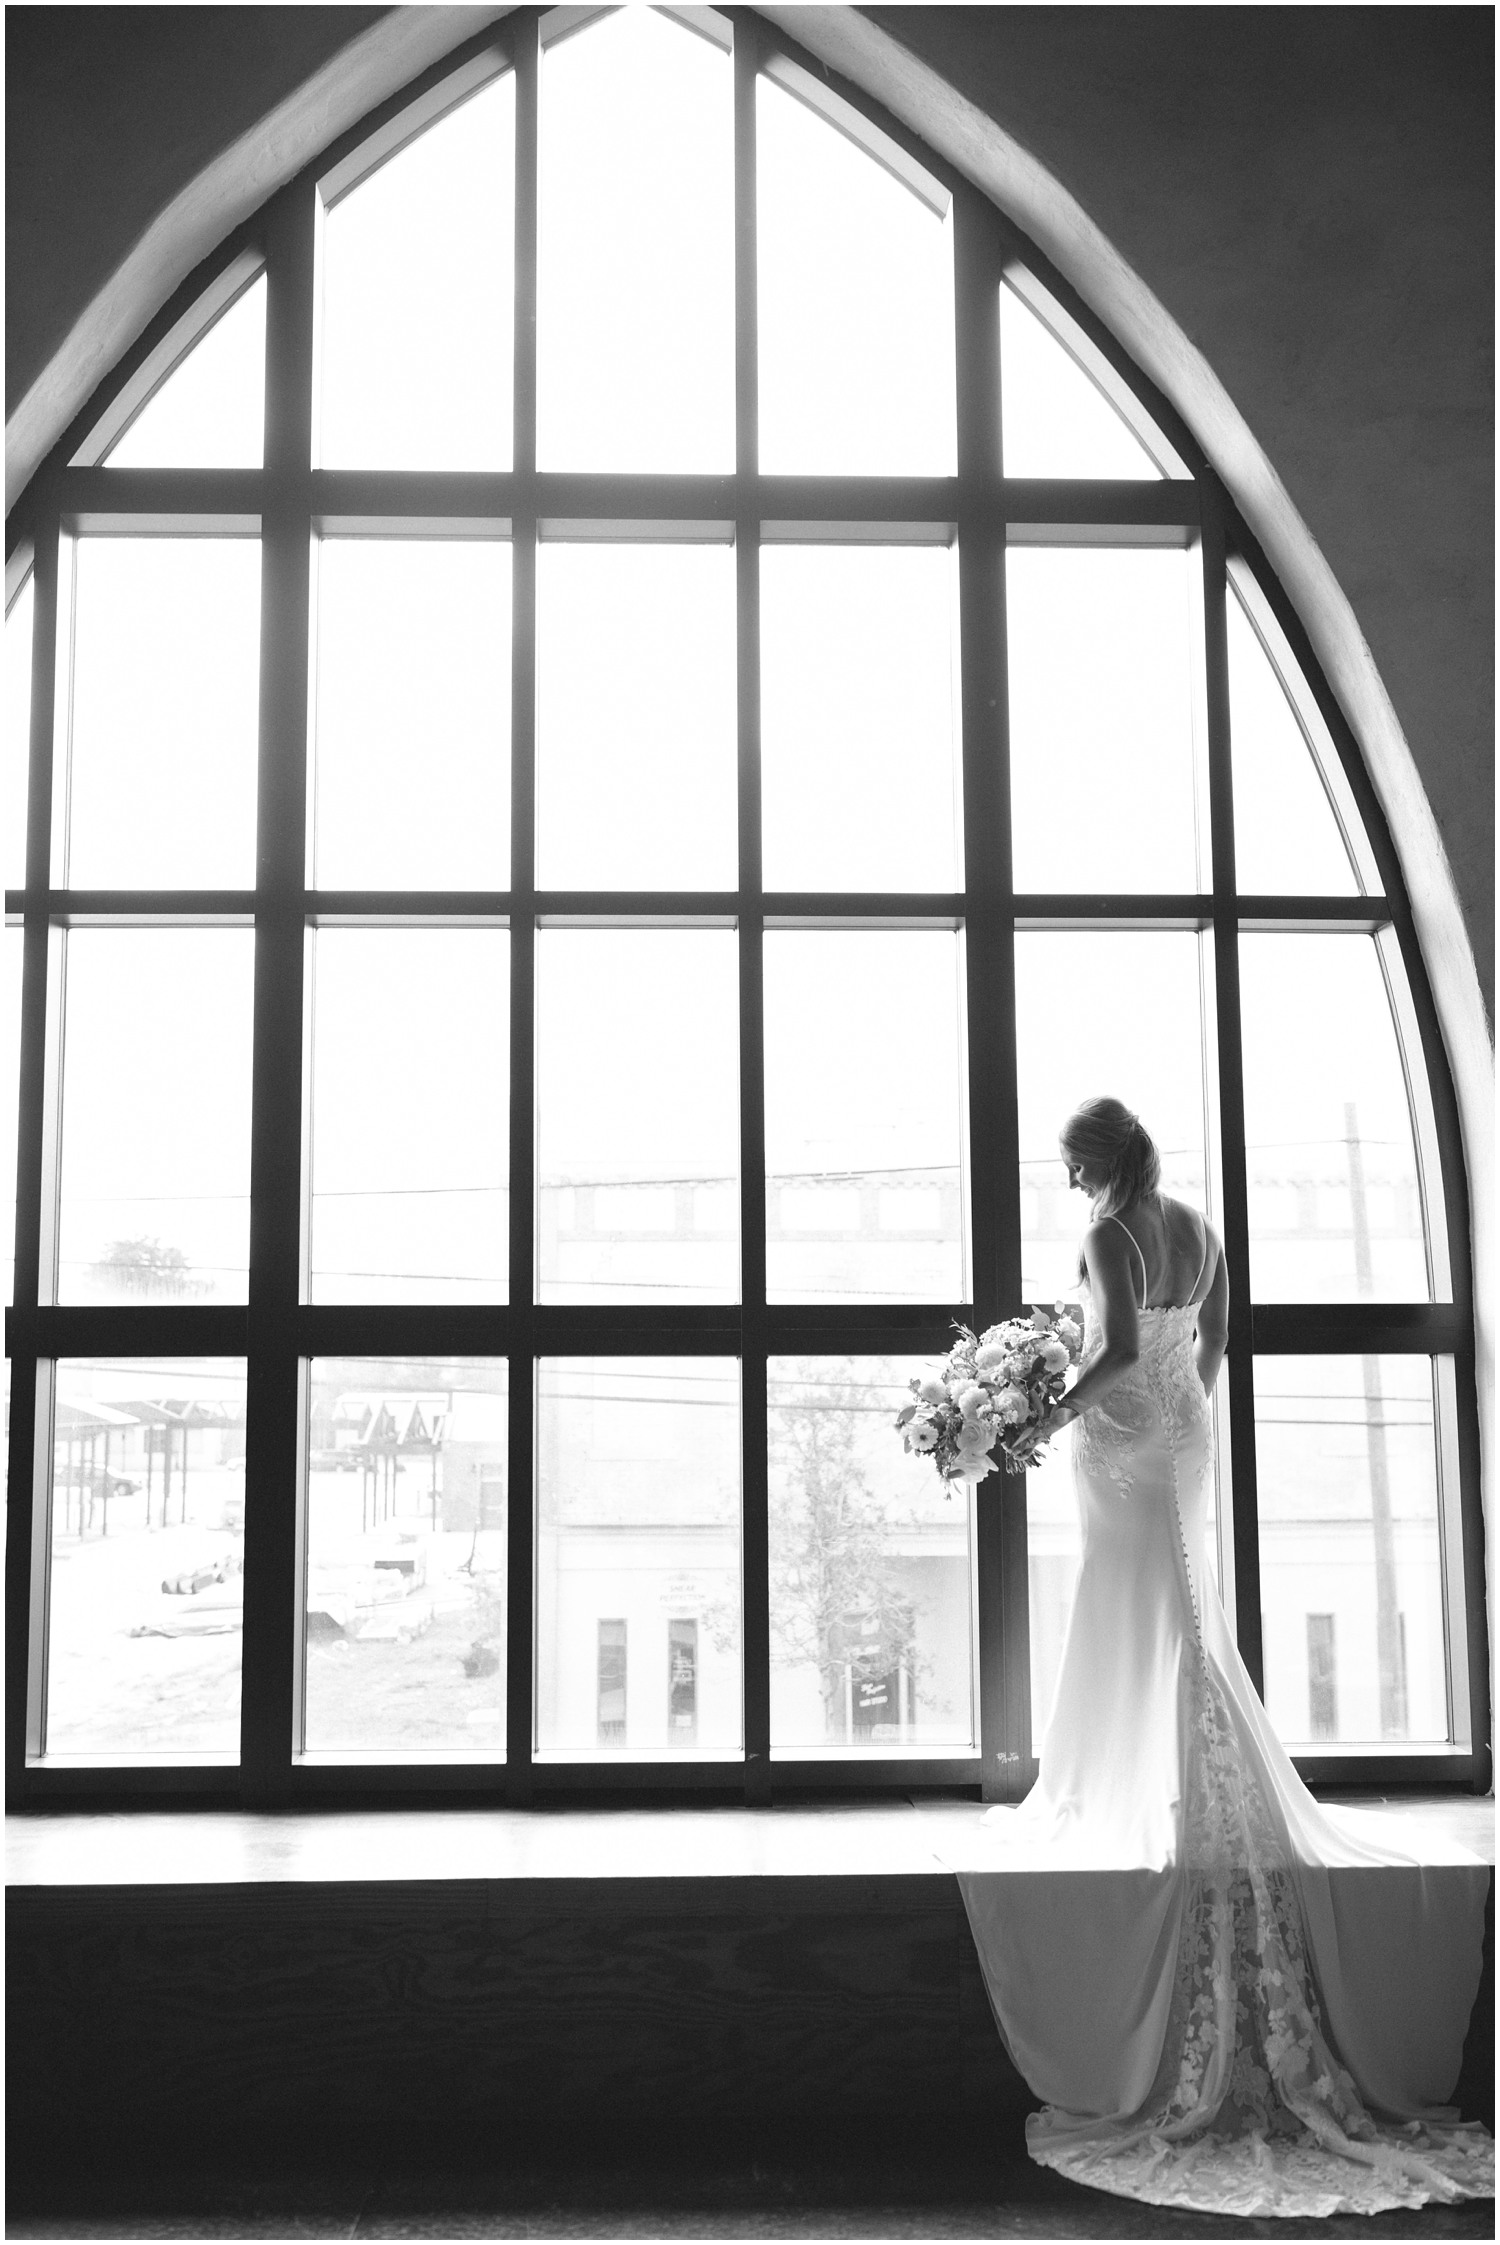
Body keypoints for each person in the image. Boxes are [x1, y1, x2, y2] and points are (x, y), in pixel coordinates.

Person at [952, 1096, 1493, 2218]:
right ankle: (1166, 1766)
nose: (1063, 1183)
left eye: (1066, 1165)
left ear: (1098, 1162)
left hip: (1122, 1440)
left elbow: (1102, 1356)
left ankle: (1135, 1780)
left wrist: (1041, 1416)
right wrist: (1179, 1405)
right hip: (1184, 1435)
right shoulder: (1195, 1223)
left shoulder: (1110, 1233)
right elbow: (1215, 1339)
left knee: (1130, 1602)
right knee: (1176, 1607)